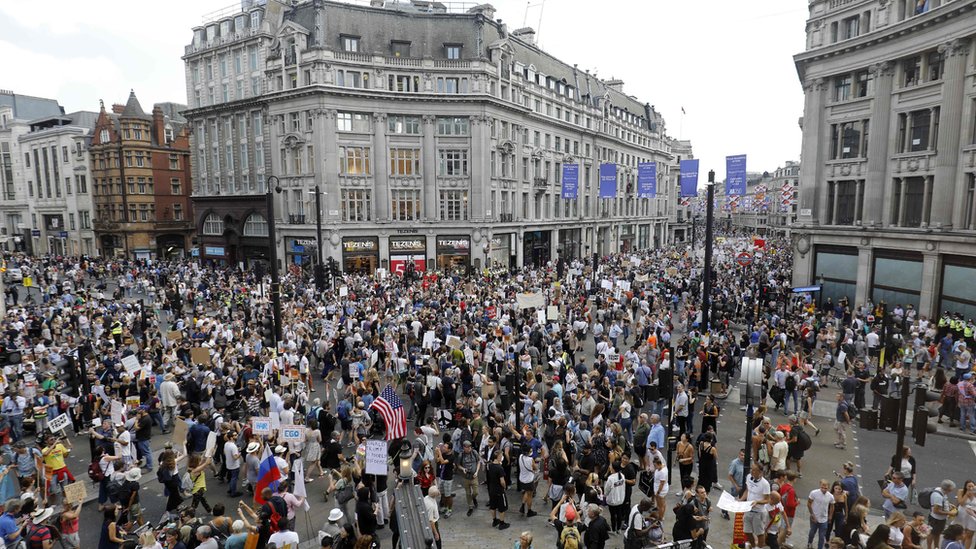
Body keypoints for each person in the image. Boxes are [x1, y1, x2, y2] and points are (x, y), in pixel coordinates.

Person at [741, 463, 771, 549]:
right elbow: (747, 490)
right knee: (747, 531)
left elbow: (767, 500)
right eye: (751, 469)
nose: (751, 471)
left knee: (759, 533)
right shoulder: (748, 477)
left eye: (754, 470)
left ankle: (759, 547)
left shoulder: (765, 484)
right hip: (748, 509)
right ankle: (753, 546)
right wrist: (741, 499)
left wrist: (757, 502)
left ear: (760, 472)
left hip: (758, 512)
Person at [486, 447, 510, 530]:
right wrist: (504, 487)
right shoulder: (500, 468)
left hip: (492, 489)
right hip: (499, 490)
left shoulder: (490, 466)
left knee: (493, 506)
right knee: (501, 507)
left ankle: (494, 520)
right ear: (499, 457)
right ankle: (502, 523)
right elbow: (502, 481)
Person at [927, 479, 956, 549]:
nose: (952, 490)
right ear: (948, 488)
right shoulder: (938, 497)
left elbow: (944, 501)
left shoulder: (940, 490)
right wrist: (949, 513)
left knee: (937, 533)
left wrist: (949, 504)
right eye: (951, 489)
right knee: (932, 534)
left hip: (940, 519)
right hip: (936, 519)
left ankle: (936, 547)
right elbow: (936, 511)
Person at [808, 479, 836, 549]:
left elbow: (832, 506)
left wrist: (830, 516)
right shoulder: (814, 493)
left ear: (828, 488)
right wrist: (812, 514)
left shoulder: (830, 496)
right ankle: (809, 543)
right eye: (822, 487)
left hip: (824, 519)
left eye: (825, 488)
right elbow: (809, 503)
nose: (823, 489)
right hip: (814, 517)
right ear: (820, 486)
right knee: (812, 533)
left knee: (821, 537)